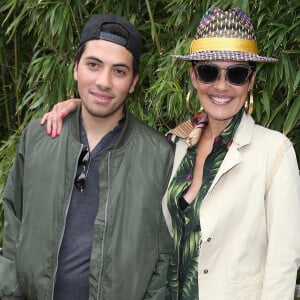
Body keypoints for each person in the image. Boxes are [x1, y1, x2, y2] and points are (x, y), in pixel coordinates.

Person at [42, 7, 300, 300]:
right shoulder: (175, 145)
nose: (221, 85)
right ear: (193, 76)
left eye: (237, 74)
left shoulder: (275, 152)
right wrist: (81, 106)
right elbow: (125, 132)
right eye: (208, 71)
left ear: (251, 80)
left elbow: (283, 266)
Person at [0, 14, 175, 300]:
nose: (104, 82)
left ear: (133, 82)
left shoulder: (159, 155)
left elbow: (164, 258)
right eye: (93, 65)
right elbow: (13, 228)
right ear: (75, 69)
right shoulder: (38, 138)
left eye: (119, 71)